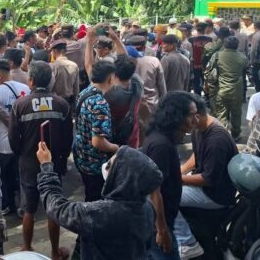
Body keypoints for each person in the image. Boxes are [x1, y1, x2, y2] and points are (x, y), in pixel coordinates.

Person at [37, 142, 163, 260]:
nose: (105, 167)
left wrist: (46, 166)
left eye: (110, 166)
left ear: (122, 178)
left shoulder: (103, 214)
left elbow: (57, 208)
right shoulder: (147, 208)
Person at [10, 61, 72, 259]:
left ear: (31, 80)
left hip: (28, 163)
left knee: (28, 208)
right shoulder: (62, 104)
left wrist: (22, 154)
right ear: (51, 80)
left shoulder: (20, 105)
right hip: (54, 164)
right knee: (53, 207)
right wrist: (61, 159)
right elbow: (68, 138)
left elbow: (13, 139)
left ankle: (27, 248)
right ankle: (55, 252)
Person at [174, 96, 238, 259]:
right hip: (206, 184)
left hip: (216, 195)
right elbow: (197, 155)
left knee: (165, 194)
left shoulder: (217, 139)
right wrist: (181, 171)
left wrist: (176, 179)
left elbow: (209, 179)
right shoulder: (199, 128)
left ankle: (187, 242)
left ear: (196, 115)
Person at [143, 92, 198, 260]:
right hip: (157, 225)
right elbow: (154, 192)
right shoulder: (161, 145)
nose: (196, 120)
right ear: (176, 116)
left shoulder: (166, 139)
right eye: (191, 115)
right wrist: (162, 231)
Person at [0, 59, 30, 215]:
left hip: (2, 143)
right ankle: (23, 206)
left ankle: (7, 204)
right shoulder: (25, 88)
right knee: (20, 175)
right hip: (22, 141)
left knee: (4, 176)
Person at [74, 60, 119, 202]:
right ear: (110, 79)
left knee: (89, 193)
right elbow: (98, 142)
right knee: (95, 199)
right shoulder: (99, 103)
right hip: (94, 162)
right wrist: (116, 148)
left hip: (81, 154)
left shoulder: (84, 92)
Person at [213, 36, 248, 140]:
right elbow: (245, 68)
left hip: (221, 89)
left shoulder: (217, 56)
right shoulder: (243, 57)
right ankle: (236, 134)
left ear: (224, 44)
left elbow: (211, 72)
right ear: (237, 45)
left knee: (221, 113)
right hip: (237, 90)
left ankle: (223, 134)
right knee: (236, 113)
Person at [49, 39, 80, 111]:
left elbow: (50, 87)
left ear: (55, 51)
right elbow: (76, 88)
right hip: (69, 101)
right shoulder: (74, 65)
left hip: (55, 101)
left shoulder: (52, 66)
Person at [188, 23, 212, 96]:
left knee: (196, 82)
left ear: (196, 29)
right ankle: (207, 97)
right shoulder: (209, 39)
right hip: (207, 64)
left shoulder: (191, 40)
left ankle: (197, 97)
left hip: (195, 64)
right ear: (205, 29)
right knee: (206, 81)